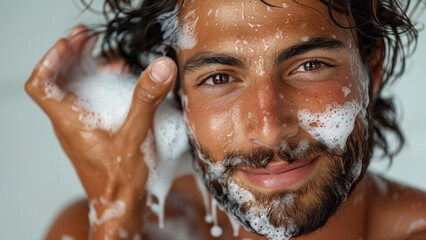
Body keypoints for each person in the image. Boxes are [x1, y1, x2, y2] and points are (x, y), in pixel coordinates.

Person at [25, 0, 426, 239]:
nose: (269, 128)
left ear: (371, 71)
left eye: (309, 65)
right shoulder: (89, 227)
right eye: (219, 77)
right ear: (178, 95)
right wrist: (117, 214)